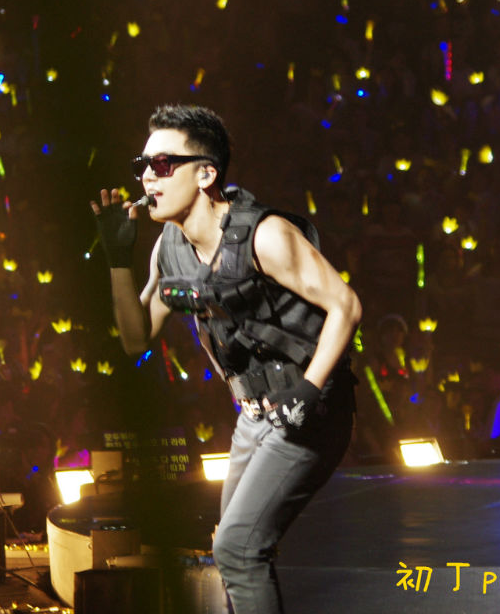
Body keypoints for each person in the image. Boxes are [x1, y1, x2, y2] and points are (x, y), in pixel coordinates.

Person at [91, 104, 360, 614]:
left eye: (163, 164)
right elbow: (134, 339)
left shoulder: (266, 235)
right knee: (234, 546)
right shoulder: (169, 247)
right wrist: (118, 262)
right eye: (143, 165)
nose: (147, 177)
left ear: (206, 174)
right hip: (253, 417)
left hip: (311, 410)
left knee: (237, 550)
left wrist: (308, 391)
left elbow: (345, 306)